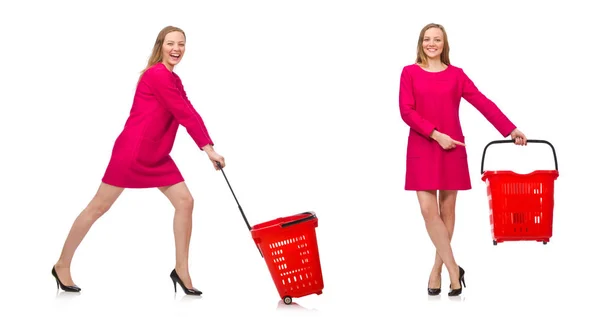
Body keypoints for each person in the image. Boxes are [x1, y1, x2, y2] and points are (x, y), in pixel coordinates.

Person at [51, 26, 225, 296]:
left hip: (157, 154)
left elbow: (189, 109)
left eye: (181, 43)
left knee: (185, 202)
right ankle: (62, 264)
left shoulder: (174, 79)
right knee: (97, 208)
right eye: (170, 43)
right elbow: (183, 113)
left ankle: (181, 270)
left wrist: (209, 146)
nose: (176, 48)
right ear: (161, 45)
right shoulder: (157, 75)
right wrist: (207, 150)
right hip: (132, 153)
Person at [398, 23, 527, 296]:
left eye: (437, 40)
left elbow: (482, 102)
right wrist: (436, 135)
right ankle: (454, 268)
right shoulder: (409, 72)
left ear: (445, 45)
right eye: (427, 39)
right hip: (424, 145)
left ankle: (437, 270)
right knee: (427, 211)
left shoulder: (457, 75)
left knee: (447, 212)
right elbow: (406, 111)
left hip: (452, 148)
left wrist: (510, 128)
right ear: (420, 42)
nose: (432, 44)